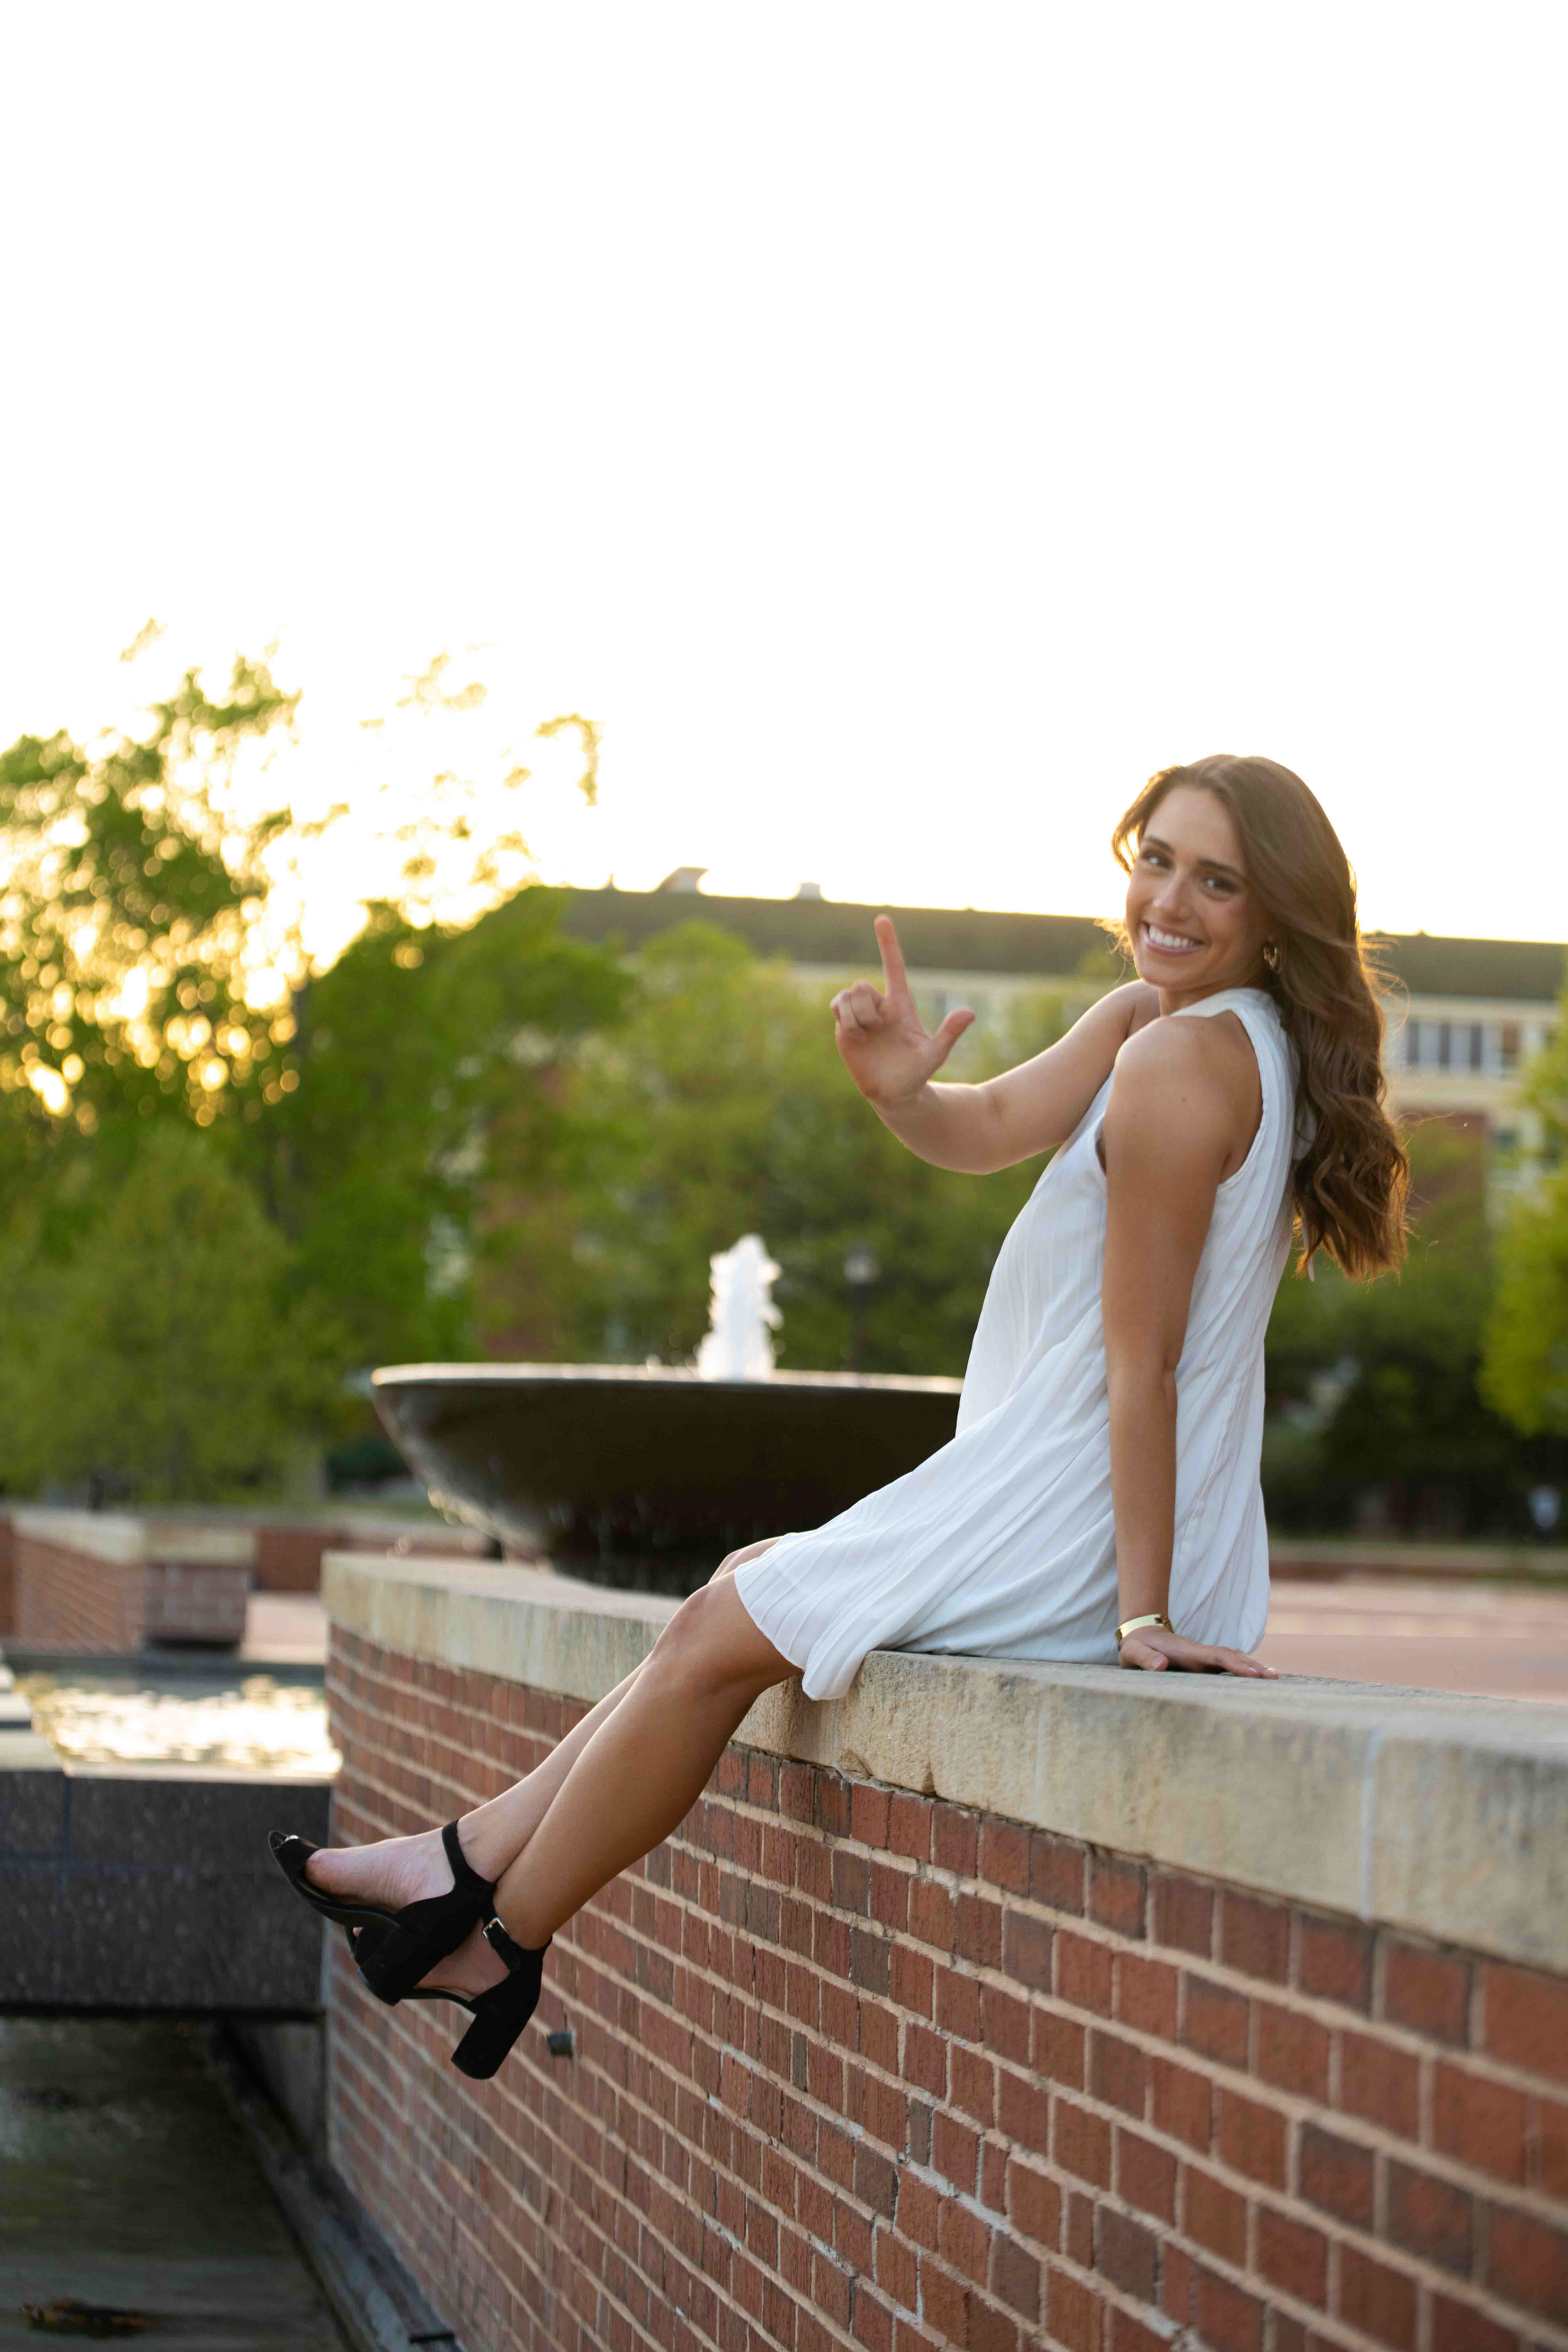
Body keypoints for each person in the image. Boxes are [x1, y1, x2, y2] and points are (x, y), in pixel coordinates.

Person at [272, 753, 1409, 2078]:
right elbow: (990, 1124)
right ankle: (457, 1864)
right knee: (739, 1585)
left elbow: (1143, 1364)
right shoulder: (1158, 1027)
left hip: (1086, 1519)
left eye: (1217, 881)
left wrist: (1143, 1614)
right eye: (1155, 860)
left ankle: (500, 1938)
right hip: (1074, 1491)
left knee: (717, 1632)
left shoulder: (1180, 1064)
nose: (1168, 900)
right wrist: (900, 1091)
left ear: (1275, 913)